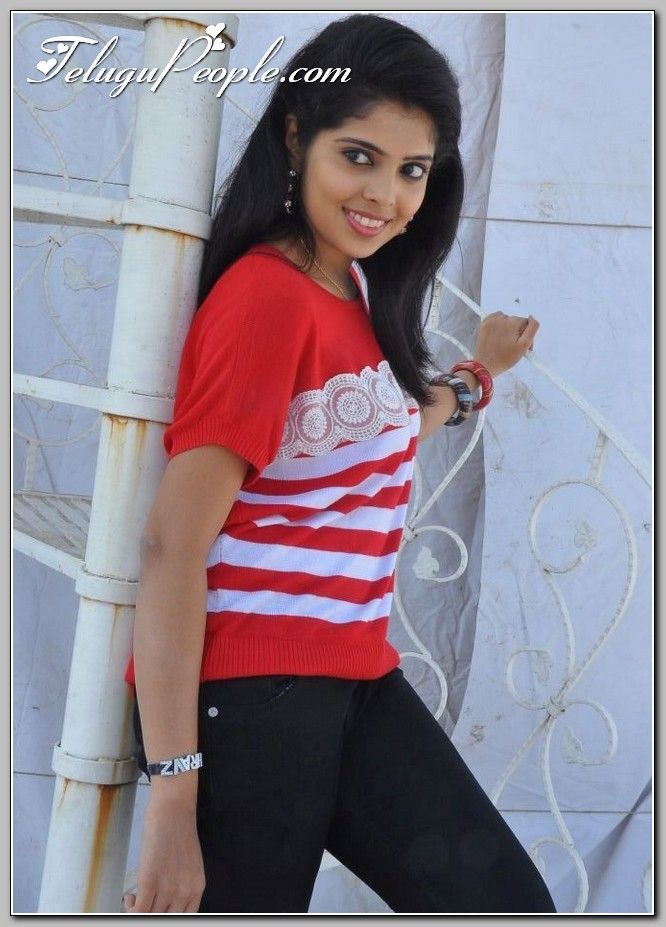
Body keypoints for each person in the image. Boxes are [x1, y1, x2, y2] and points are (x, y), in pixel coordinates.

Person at [122, 13, 554, 915]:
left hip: (353, 675)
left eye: (412, 170)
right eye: (359, 157)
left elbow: (367, 441)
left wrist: (477, 376)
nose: (386, 196)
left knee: (503, 901)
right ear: (296, 138)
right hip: (247, 696)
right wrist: (172, 796)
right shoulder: (266, 299)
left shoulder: (349, 281)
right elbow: (171, 547)